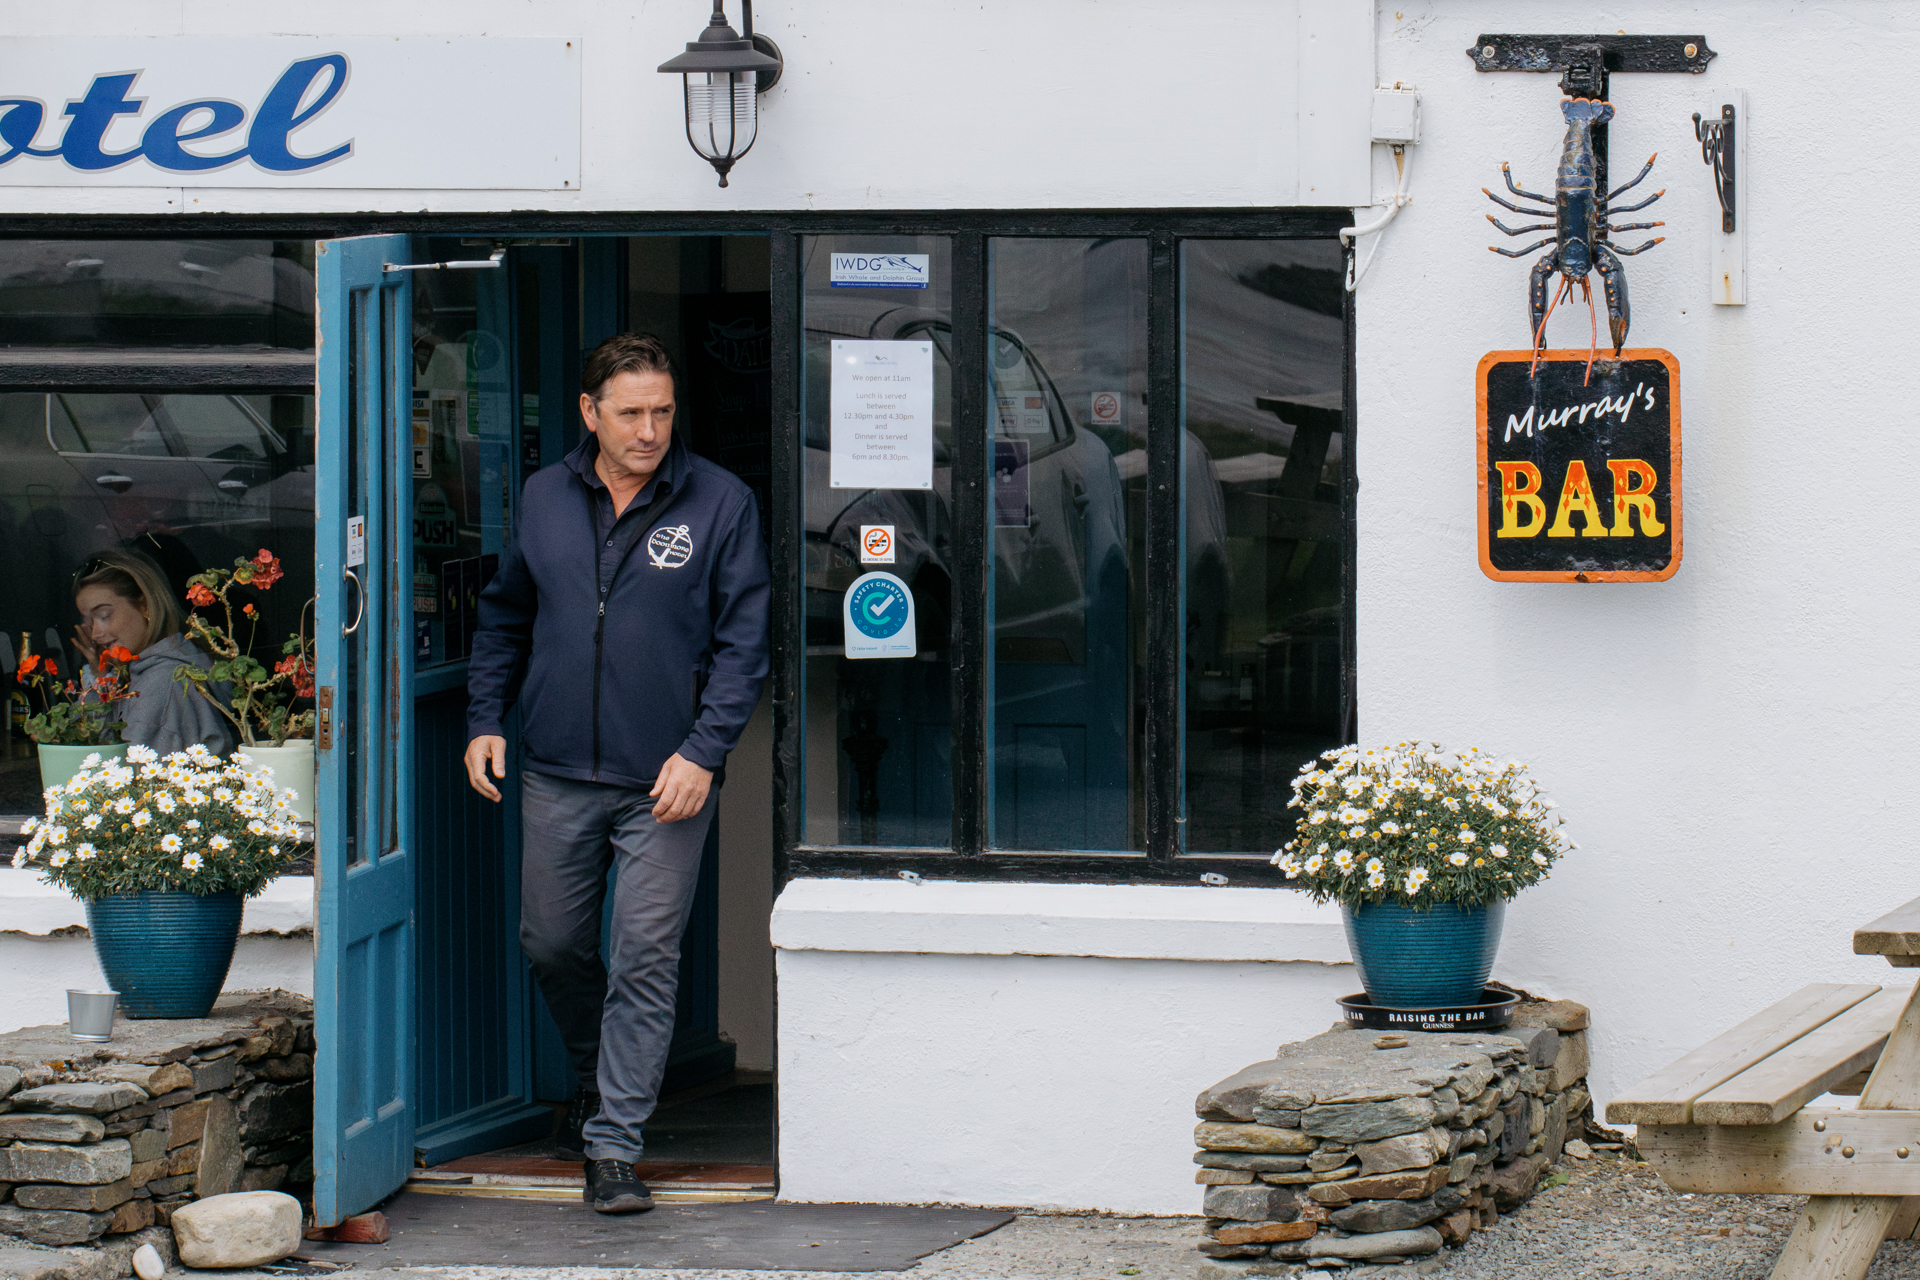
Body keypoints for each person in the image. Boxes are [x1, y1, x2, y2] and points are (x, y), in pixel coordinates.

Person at [463, 333, 769, 1215]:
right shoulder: (544, 498)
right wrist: (486, 718)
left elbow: (744, 645)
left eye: (663, 411)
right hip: (555, 769)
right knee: (551, 944)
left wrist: (704, 752)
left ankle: (612, 1146)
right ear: (590, 413)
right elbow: (504, 618)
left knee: (644, 954)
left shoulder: (720, 503)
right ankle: (599, 1083)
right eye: (631, 413)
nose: (649, 430)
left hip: (665, 780)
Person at [71, 550, 234, 757]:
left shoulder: (164, 680)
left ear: (145, 606)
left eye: (104, 615)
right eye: (90, 622)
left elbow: (123, 771)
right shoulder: (155, 669)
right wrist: (100, 676)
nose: (95, 633)